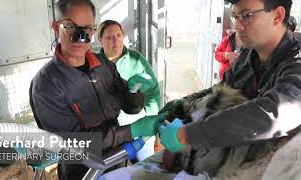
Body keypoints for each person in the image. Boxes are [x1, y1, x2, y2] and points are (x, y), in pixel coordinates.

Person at [159, 0, 301, 174]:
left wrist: (187, 135)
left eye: (246, 16)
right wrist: (184, 104)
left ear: (277, 15)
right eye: (235, 17)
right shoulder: (246, 59)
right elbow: (221, 90)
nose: (238, 26)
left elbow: (273, 114)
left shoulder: (296, 65)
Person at [29, 0, 164, 179]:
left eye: (86, 29)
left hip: (117, 162)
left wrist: (135, 91)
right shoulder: (46, 85)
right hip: (83, 172)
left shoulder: (103, 67)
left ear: (92, 31)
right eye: (70, 27)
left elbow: (131, 108)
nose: (79, 37)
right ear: (56, 27)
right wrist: (131, 131)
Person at [97, 20, 162, 160]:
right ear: (100, 40)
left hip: (139, 130)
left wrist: (152, 125)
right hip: (110, 135)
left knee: (144, 170)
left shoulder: (136, 60)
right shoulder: (95, 65)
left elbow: (153, 92)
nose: (116, 41)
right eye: (109, 37)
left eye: (119, 35)